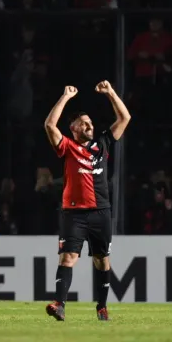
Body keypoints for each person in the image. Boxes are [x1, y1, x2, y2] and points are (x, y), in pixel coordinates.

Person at [44, 81, 131, 321]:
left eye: (90, 122)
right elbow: (50, 124)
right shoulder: (68, 146)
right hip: (74, 213)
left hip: (101, 211)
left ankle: (102, 307)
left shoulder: (102, 143)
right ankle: (59, 305)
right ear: (73, 128)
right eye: (84, 122)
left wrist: (111, 92)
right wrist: (65, 97)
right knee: (68, 257)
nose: (89, 125)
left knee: (102, 260)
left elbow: (125, 118)